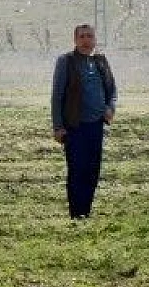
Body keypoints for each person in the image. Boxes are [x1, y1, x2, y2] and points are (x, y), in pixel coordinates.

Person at [50, 23, 117, 219]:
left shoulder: (100, 61)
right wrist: (58, 126)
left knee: (92, 170)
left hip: (96, 125)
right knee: (77, 170)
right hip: (74, 126)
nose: (86, 40)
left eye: (90, 36)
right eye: (82, 37)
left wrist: (110, 108)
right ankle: (76, 214)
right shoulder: (66, 61)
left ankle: (85, 212)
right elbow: (57, 95)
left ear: (95, 39)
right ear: (75, 40)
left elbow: (112, 90)